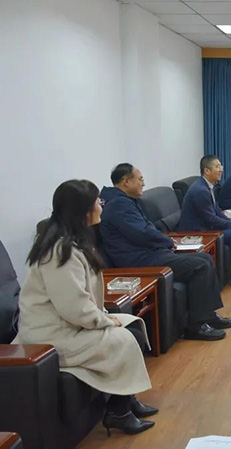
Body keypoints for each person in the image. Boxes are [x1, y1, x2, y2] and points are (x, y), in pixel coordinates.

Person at [15, 180, 157, 436]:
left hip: (70, 325)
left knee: (134, 325)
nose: (101, 205)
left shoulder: (74, 241)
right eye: (97, 202)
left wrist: (104, 317)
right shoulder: (60, 251)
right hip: (52, 335)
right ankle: (119, 412)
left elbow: (79, 300)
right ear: (83, 210)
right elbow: (73, 307)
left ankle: (127, 399)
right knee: (126, 338)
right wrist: (105, 321)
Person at [99, 163, 231, 341]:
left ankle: (208, 315)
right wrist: (168, 242)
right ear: (125, 181)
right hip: (138, 260)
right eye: (140, 179)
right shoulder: (118, 204)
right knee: (200, 265)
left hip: (148, 252)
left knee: (205, 258)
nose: (143, 183)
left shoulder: (123, 200)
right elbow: (142, 233)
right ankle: (196, 326)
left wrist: (164, 242)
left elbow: (147, 229)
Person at [178, 155, 231, 287]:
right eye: (217, 167)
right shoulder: (200, 191)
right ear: (207, 171)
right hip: (198, 232)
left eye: (221, 166)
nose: (221, 170)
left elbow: (217, 211)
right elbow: (211, 219)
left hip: (206, 227)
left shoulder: (207, 186)